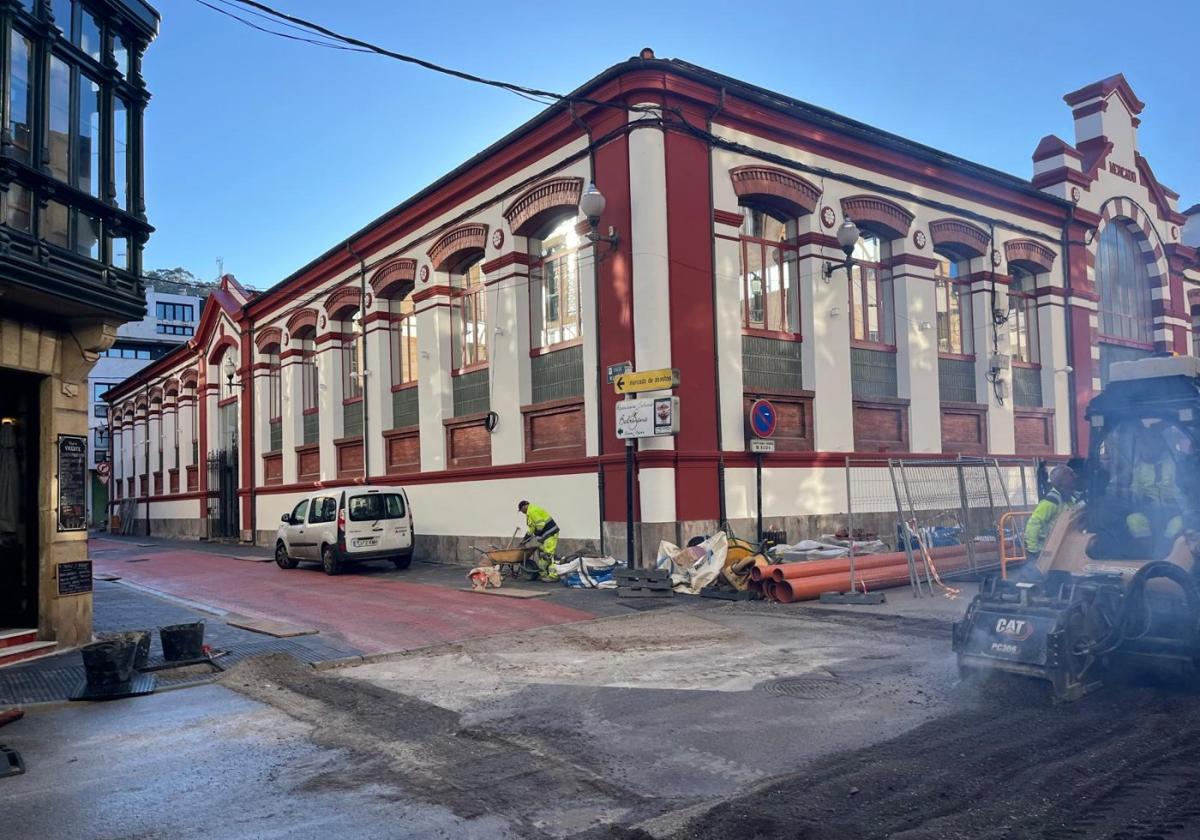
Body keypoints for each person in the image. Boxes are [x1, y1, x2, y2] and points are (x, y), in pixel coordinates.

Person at [1125, 428, 1183, 546]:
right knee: (1134, 520)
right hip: (1148, 512)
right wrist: (1140, 500)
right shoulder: (1137, 468)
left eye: (1151, 441)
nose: (1147, 446)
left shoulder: (1175, 463)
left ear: (1161, 443)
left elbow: (1184, 491)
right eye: (1144, 442)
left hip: (1174, 512)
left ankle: (1167, 550)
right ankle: (1145, 550)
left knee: (1178, 524)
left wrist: (1178, 504)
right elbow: (1134, 493)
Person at [1021, 465, 1077, 579]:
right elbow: (1034, 523)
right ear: (1063, 481)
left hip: (1057, 549)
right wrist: (1033, 549)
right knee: (1038, 579)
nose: (1075, 478)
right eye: (1071, 475)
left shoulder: (1069, 498)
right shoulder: (1052, 501)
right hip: (1044, 550)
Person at [518, 500, 560, 582]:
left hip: (550, 534)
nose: (522, 512)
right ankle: (544, 575)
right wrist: (525, 539)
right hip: (546, 536)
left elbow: (541, 525)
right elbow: (531, 529)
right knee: (543, 555)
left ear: (524, 506)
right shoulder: (530, 513)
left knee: (548, 555)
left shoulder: (533, 511)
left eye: (521, 510)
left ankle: (553, 576)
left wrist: (536, 533)